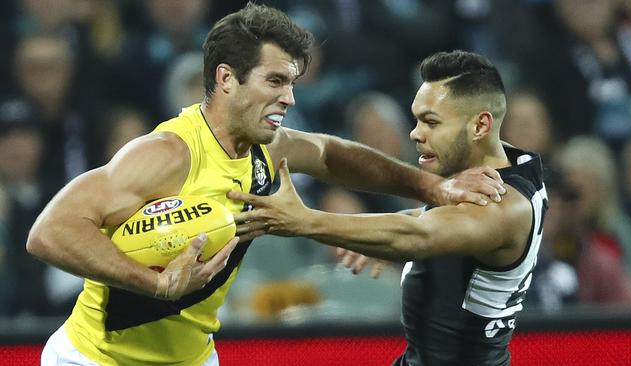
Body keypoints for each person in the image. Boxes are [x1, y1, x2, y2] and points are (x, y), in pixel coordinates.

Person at [26, 5, 506, 366]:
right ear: (227, 78)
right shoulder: (166, 155)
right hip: (93, 359)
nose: (290, 97)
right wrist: (154, 283)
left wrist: (433, 189)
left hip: (191, 358)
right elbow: (49, 232)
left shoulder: (267, 146)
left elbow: (332, 154)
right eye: (275, 81)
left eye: (292, 83)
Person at [231, 50, 548, 366]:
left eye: (431, 122)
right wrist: (379, 231)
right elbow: (434, 222)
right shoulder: (506, 164)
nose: (415, 133)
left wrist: (304, 221)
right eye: (416, 119)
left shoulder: (503, 206)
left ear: (480, 126)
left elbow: (417, 236)